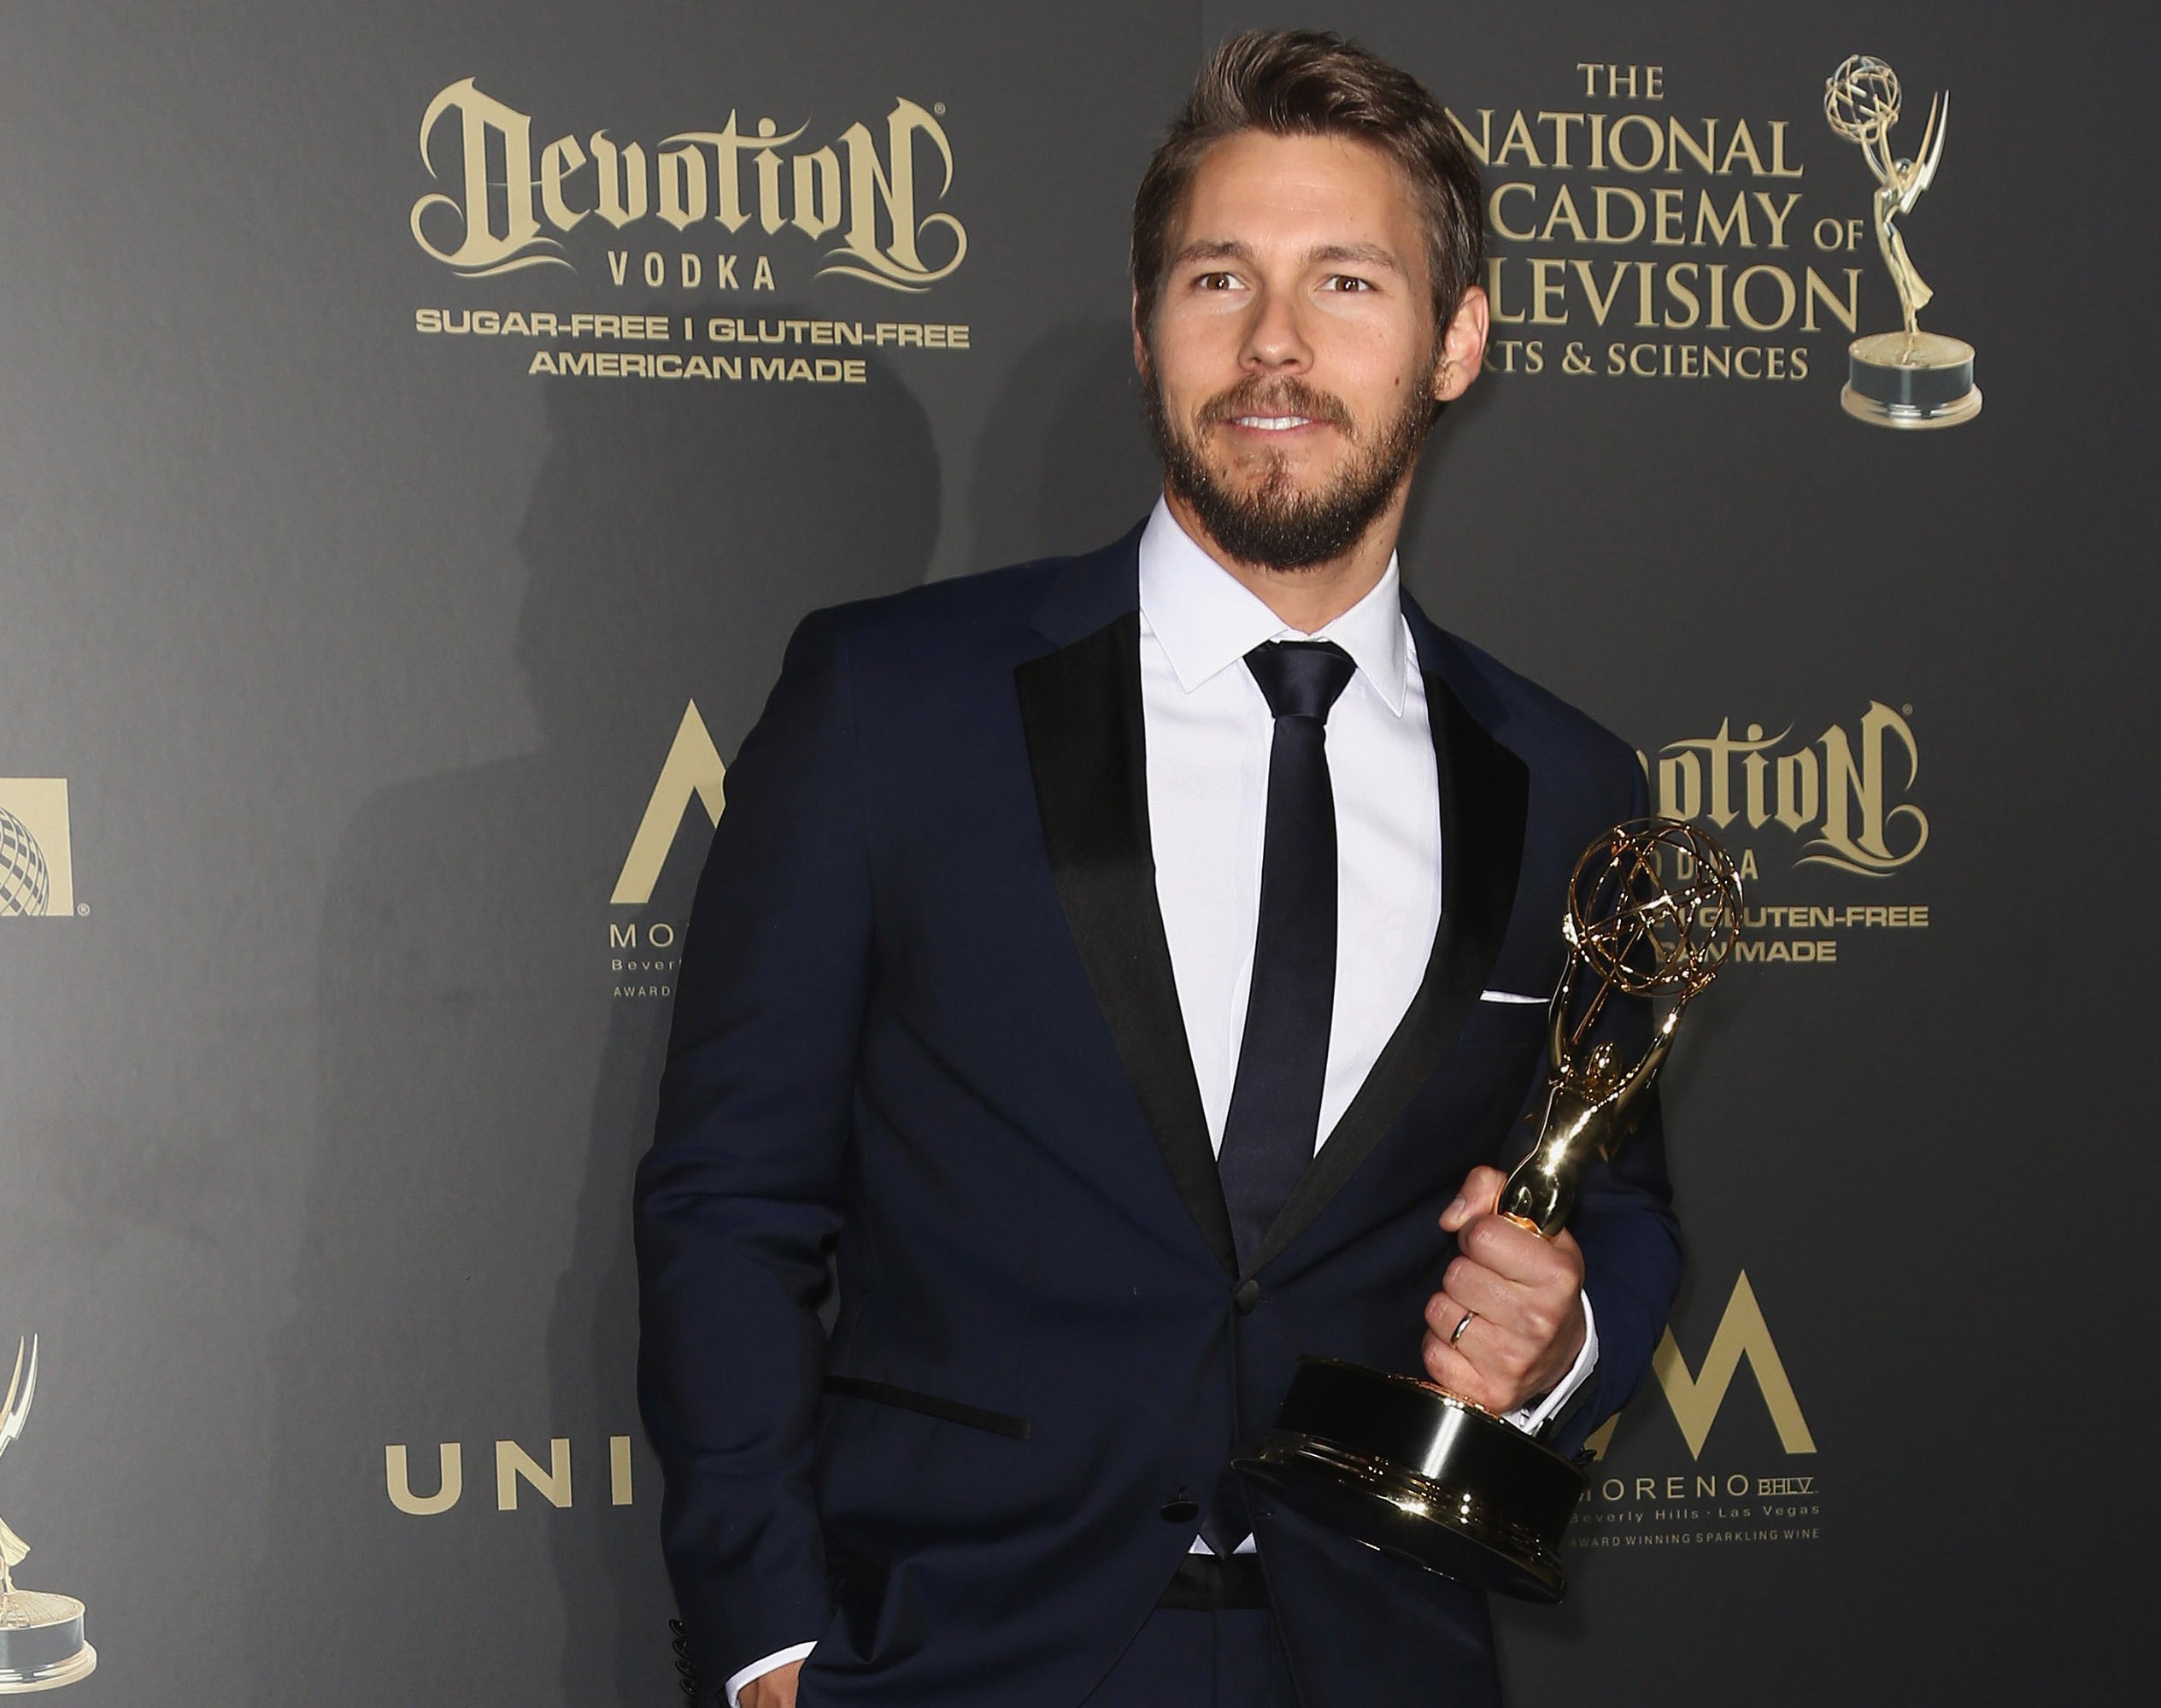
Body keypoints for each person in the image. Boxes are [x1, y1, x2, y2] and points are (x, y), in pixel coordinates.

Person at [635, 29, 1683, 1708]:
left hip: (1380, 1654)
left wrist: (1561, 1343)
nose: (1275, 341)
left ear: (1458, 340)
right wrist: (769, 1644)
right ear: (1146, 329)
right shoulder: (888, 704)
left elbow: (1615, 1209)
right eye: (1219, 277)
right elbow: (731, 1203)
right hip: (957, 1654)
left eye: (1347, 282)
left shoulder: (1568, 785)